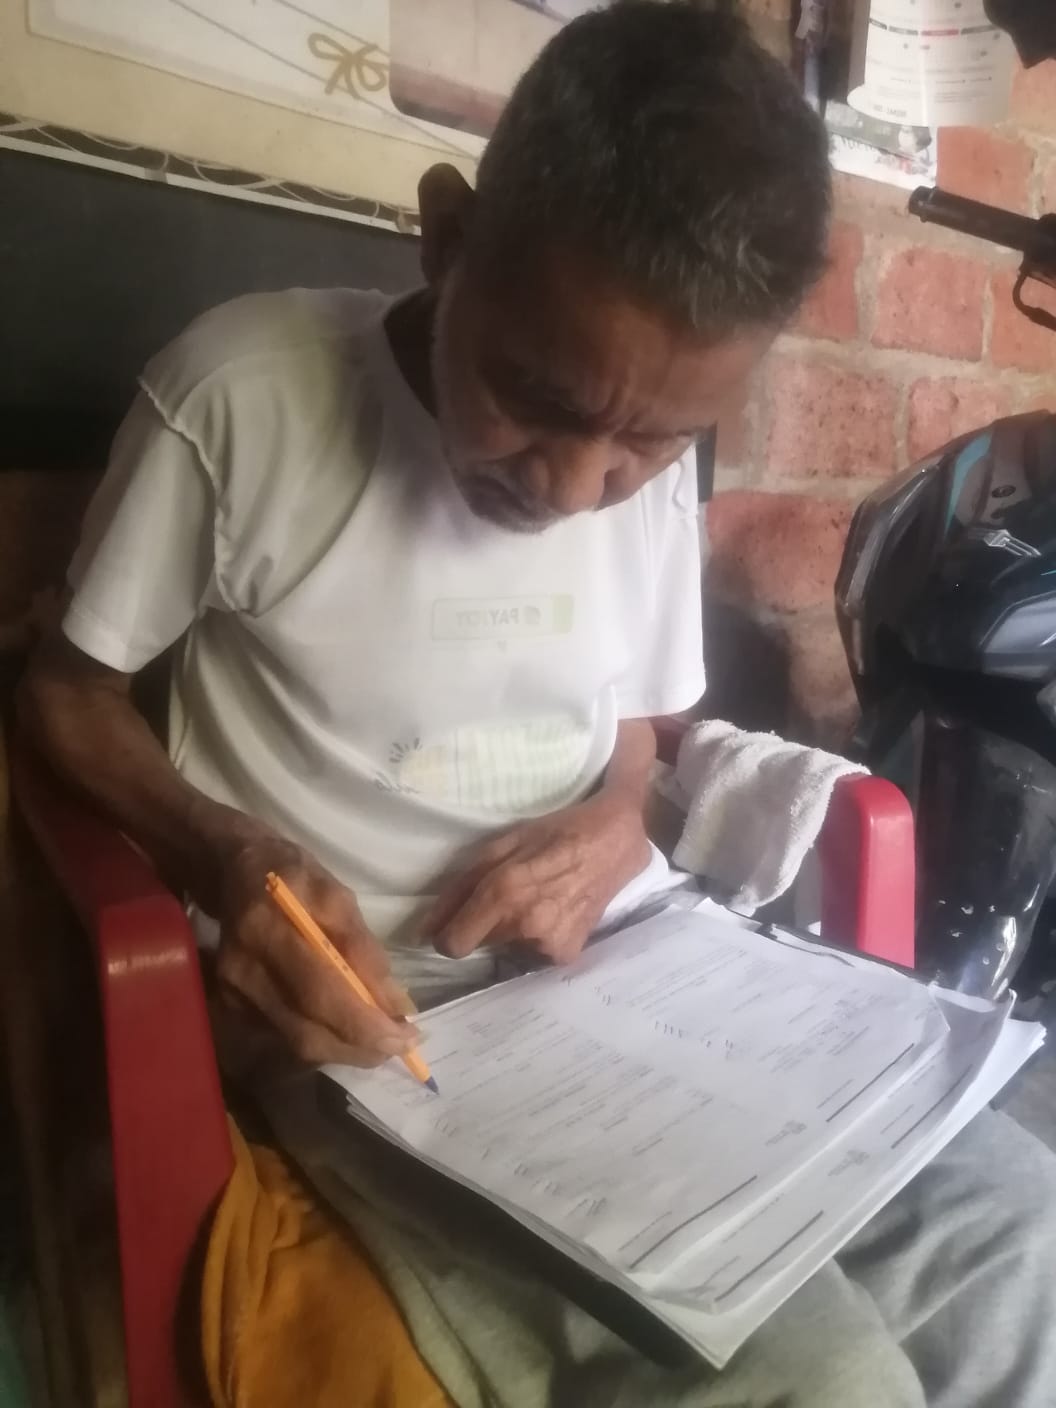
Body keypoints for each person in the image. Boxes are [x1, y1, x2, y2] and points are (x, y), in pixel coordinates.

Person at [20, 3, 1056, 1405]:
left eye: (649, 442)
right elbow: (64, 695)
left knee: (1027, 1238)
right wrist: (225, 855)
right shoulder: (241, 399)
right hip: (377, 1017)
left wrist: (621, 821)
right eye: (532, 396)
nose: (573, 487)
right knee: (830, 1382)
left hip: (637, 971)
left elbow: (636, 736)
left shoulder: (645, 477)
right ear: (446, 238)